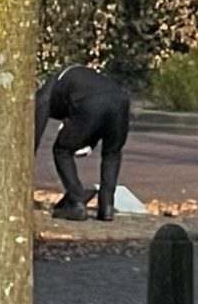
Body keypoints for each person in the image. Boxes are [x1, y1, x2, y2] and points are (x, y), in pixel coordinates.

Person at [34, 64, 131, 221]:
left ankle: (76, 200)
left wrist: (28, 153)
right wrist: (88, 141)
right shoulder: (80, 77)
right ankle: (107, 207)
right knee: (112, 153)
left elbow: (37, 117)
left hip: (90, 103)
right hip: (120, 101)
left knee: (62, 150)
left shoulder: (49, 87)